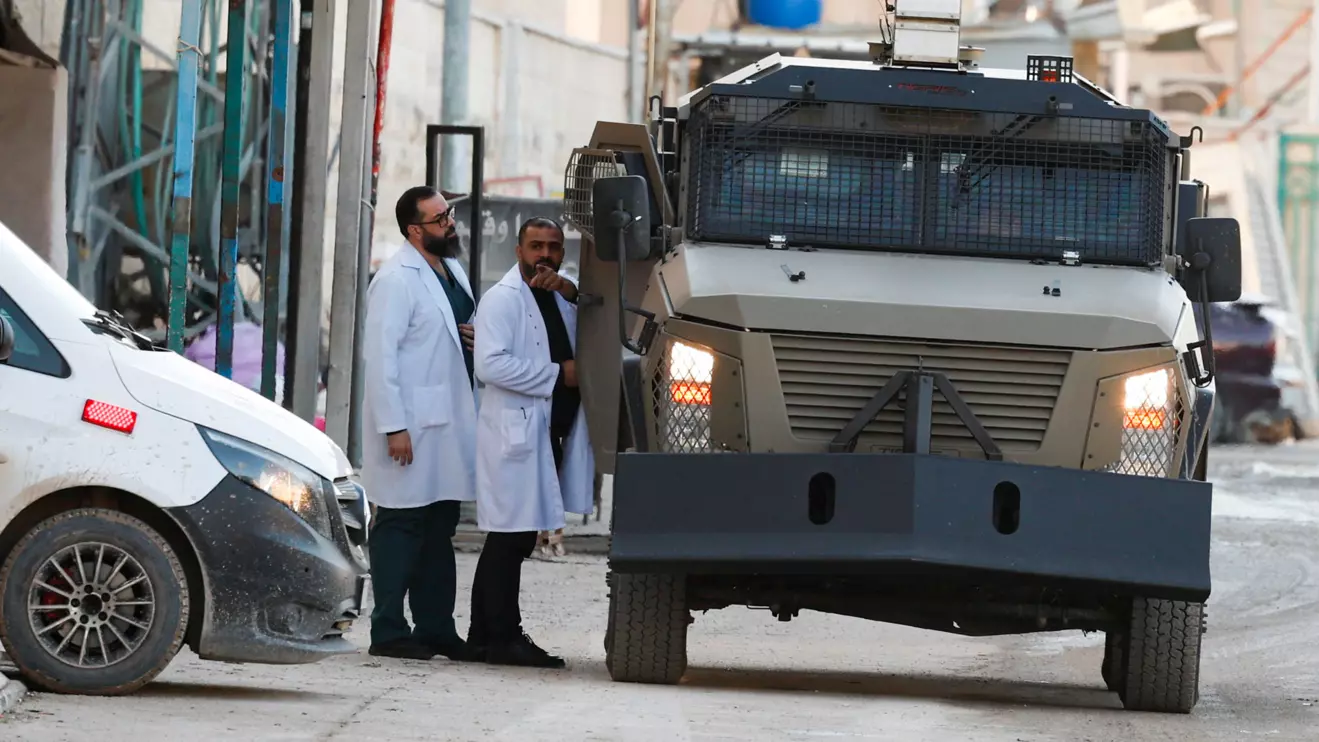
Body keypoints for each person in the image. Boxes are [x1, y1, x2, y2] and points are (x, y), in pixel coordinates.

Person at [359, 185, 480, 661]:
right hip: (411, 425)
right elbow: (380, 358)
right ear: (414, 230)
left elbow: (447, 333)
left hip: (446, 421)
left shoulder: (449, 268)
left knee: (438, 526)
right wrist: (394, 427)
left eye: (448, 214)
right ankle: (387, 629)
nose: (450, 223)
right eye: (439, 218)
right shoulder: (395, 279)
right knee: (399, 525)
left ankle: (436, 627)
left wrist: (472, 335)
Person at [467, 216, 594, 668]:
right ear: (518, 250)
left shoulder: (558, 296)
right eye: (536, 246)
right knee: (510, 537)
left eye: (553, 247)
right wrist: (560, 374)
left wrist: (571, 292)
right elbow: (491, 367)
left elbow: (587, 316)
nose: (544, 254)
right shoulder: (503, 300)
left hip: (544, 431)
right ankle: (504, 638)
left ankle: (482, 637)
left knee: (513, 538)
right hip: (513, 433)